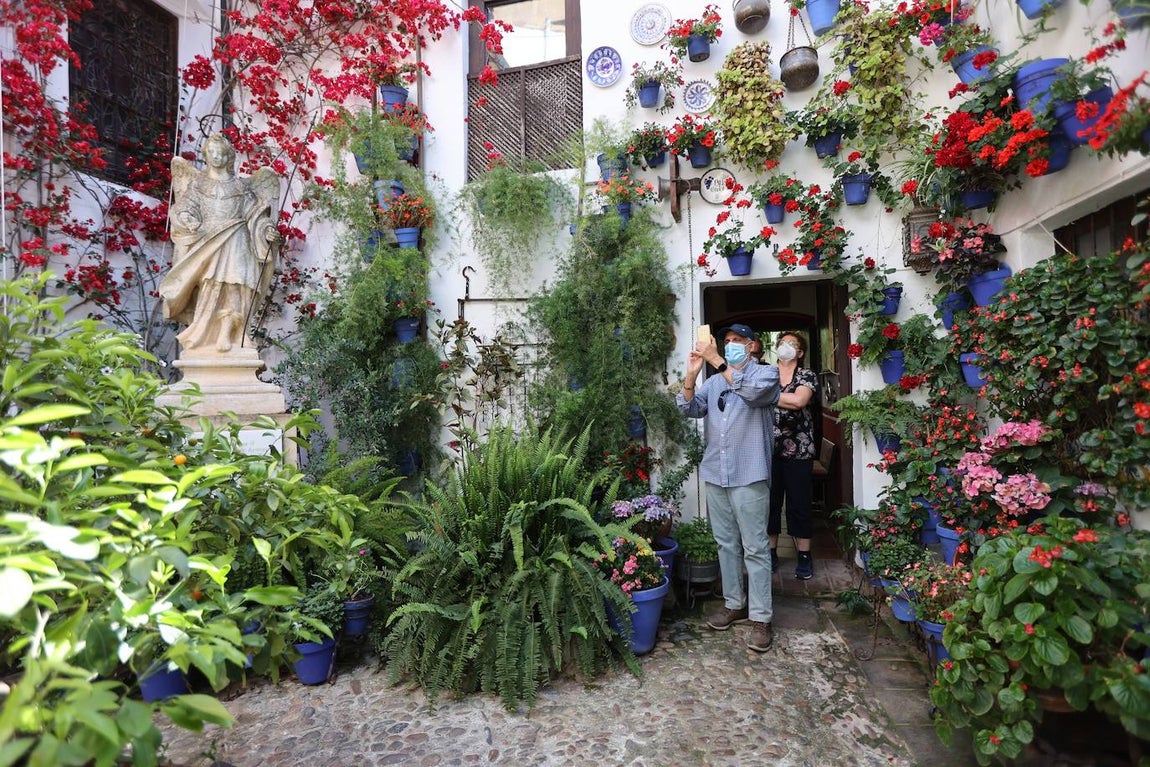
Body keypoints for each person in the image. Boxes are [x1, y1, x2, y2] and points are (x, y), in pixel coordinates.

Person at [678, 323, 780, 652]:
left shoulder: (766, 375)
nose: (731, 345)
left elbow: (749, 392)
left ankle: (761, 618)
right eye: (726, 341)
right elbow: (689, 409)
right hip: (716, 473)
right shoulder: (711, 382)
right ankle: (735, 604)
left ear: (752, 346)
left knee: (756, 547)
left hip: (749, 474)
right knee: (726, 544)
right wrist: (692, 375)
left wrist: (718, 361)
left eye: (737, 341)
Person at [162, 133, 282, 354]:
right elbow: (184, 207)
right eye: (212, 152)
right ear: (206, 156)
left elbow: (255, 214)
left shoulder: (241, 187)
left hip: (237, 239)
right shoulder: (198, 184)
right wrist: (187, 217)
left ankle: (234, 333)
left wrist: (266, 230)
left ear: (229, 157)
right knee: (211, 284)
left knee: (238, 285)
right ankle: (206, 333)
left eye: (221, 153)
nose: (216, 157)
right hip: (209, 242)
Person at [768, 331, 819, 580]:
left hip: (799, 449)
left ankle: (804, 557)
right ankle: (771, 552)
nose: (785, 346)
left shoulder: (806, 375)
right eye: (782, 343)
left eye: (792, 344)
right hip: (767, 449)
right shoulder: (766, 373)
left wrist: (766, 396)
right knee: (770, 504)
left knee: (799, 504)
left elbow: (799, 401)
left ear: (800, 352)